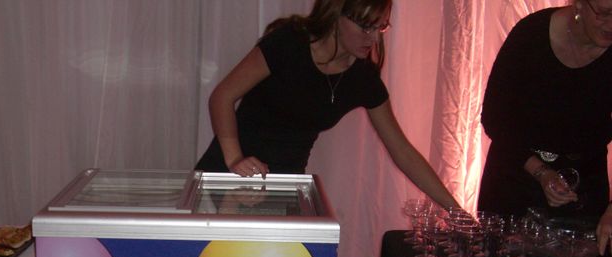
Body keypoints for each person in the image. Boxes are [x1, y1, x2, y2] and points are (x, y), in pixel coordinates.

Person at [195, 0, 461, 212]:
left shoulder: (362, 77)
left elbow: (402, 150)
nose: (373, 39)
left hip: (285, 186)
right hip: (230, 176)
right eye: (365, 27)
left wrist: (456, 211)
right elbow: (222, 97)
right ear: (336, 15)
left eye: (380, 27)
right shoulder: (290, 43)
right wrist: (235, 159)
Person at [479, 0, 612, 255]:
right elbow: (495, 117)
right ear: (580, 5)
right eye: (605, 13)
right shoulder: (532, 34)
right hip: (516, 173)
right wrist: (541, 172)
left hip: (584, 184)